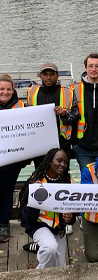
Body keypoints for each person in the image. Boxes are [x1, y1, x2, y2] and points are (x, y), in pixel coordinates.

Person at [18, 148, 76, 268]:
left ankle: (39, 247)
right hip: (39, 225)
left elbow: (73, 211)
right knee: (50, 248)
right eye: (59, 161)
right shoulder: (36, 182)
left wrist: (70, 218)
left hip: (58, 228)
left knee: (61, 267)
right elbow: (26, 217)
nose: (62, 164)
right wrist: (33, 196)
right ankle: (39, 274)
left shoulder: (66, 182)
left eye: (65, 162)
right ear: (50, 161)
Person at [27, 62, 79, 170]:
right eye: (45, 74)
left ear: (57, 76)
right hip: (39, 141)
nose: (48, 77)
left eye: (52, 74)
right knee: (40, 172)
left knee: (62, 173)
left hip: (62, 141)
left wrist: (64, 114)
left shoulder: (68, 92)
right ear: (40, 76)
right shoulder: (32, 92)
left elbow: (75, 117)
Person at [0, 74, 29, 242]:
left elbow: (28, 131)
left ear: (13, 90)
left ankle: (4, 225)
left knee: (7, 193)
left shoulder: (22, 106)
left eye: (8, 89)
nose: (5, 92)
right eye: (1, 89)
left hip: (12, 161)